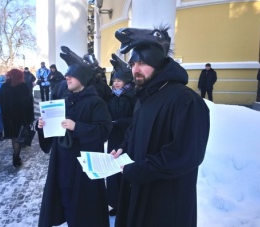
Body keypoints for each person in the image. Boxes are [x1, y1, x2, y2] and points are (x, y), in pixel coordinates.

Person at [112, 26, 210, 226]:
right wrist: (124, 147)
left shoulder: (186, 100)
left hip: (166, 200)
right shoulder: (145, 95)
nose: (135, 70)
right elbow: (135, 129)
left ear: (157, 63)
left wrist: (138, 170)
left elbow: (186, 154)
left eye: (142, 63)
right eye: (132, 64)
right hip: (140, 191)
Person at [37, 46, 112, 227]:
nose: (66, 77)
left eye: (71, 75)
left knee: (84, 208)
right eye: (67, 75)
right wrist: (41, 126)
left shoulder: (96, 103)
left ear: (83, 78)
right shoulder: (63, 100)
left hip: (83, 168)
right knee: (66, 201)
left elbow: (103, 131)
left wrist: (77, 127)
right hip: (62, 163)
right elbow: (52, 134)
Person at [106, 53, 136, 216]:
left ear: (126, 81)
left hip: (127, 138)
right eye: (114, 80)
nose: (115, 83)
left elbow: (136, 118)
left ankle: (128, 203)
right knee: (113, 169)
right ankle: (115, 203)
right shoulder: (111, 96)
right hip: (113, 137)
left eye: (118, 80)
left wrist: (119, 123)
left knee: (126, 169)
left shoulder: (132, 96)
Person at [0, 69, 34, 167]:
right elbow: (29, 103)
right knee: (19, 138)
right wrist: (30, 118)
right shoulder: (24, 87)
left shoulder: (4, 87)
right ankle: (16, 157)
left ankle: (16, 157)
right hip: (21, 118)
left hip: (8, 118)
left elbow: (0, 101)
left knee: (14, 138)